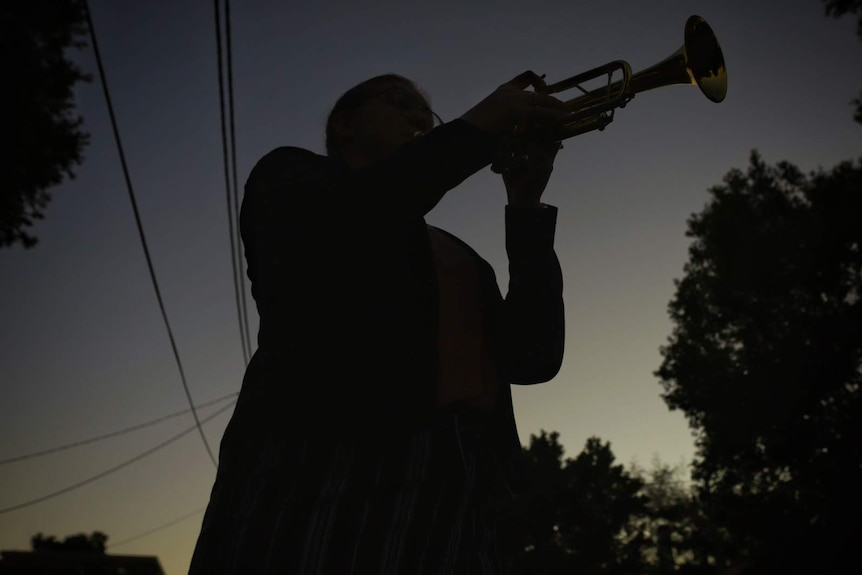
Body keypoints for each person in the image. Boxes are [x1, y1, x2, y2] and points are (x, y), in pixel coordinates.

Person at [189, 71, 569, 574]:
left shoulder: (461, 257)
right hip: (317, 470)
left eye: (427, 116)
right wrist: (476, 126)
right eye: (399, 102)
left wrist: (525, 207)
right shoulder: (289, 177)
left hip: (458, 499)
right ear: (344, 124)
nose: (418, 117)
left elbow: (533, 356)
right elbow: (366, 211)